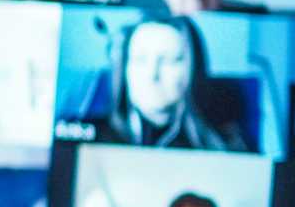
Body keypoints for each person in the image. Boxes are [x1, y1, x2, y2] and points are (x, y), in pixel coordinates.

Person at [91, 17, 251, 152]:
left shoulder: (225, 146)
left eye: (169, 61)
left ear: (192, 69)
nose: (152, 75)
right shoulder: (92, 135)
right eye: (140, 60)